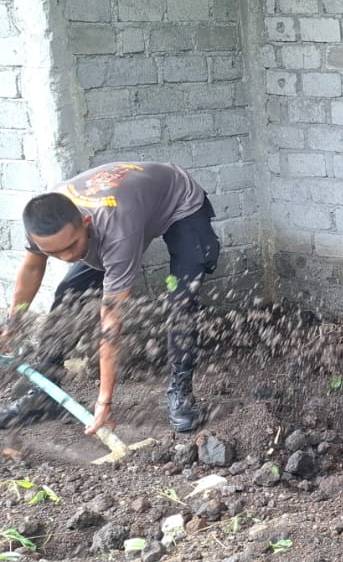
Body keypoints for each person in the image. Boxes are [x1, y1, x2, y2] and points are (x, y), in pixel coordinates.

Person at [2, 162, 220, 436]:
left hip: (179, 201)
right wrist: (14, 322)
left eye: (71, 246)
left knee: (181, 300)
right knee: (70, 295)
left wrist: (104, 401)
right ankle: (46, 392)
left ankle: (181, 387)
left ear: (85, 222)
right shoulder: (43, 219)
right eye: (56, 253)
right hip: (130, 203)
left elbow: (111, 324)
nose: (68, 257)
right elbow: (33, 267)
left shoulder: (118, 229)